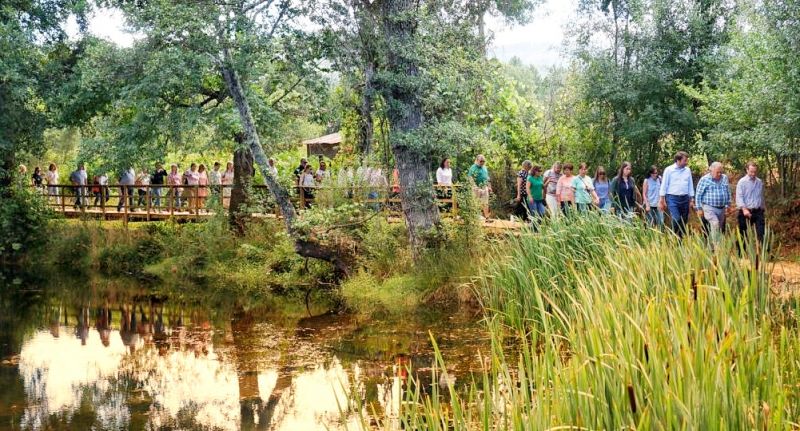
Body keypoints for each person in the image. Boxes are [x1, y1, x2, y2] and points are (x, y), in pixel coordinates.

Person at [695, 161, 733, 245]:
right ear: (711, 170)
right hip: (709, 207)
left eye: (721, 172)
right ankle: (716, 246)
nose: (719, 174)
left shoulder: (724, 178)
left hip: (722, 208)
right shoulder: (704, 179)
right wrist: (699, 208)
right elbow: (698, 195)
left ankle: (714, 246)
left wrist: (728, 205)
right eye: (717, 172)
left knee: (720, 228)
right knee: (715, 224)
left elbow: (728, 191)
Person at [659, 151, 694, 239]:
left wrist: (692, 198)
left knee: (684, 220)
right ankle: (671, 236)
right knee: (677, 218)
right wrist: (661, 200)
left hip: (685, 198)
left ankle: (680, 240)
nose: (686, 162)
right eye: (685, 160)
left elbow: (690, 184)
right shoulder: (669, 170)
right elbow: (664, 185)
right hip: (672, 198)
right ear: (678, 160)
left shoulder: (687, 170)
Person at [735, 161, 766, 245]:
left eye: (755, 172)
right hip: (745, 211)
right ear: (747, 170)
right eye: (751, 172)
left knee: (762, 232)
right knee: (743, 233)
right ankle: (741, 251)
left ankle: (764, 251)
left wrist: (763, 207)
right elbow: (739, 197)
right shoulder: (742, 182)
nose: (753, 174)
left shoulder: (759, 182)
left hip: (758, 211)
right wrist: (744, 209)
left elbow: (761, 196)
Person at [467, 155, 491, 219]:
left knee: (485, 202)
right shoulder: (473, 167)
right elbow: (470, 178)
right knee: (475, 202)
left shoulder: (484, 167)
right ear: (477, 160)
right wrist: (475, 187)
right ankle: (474, 217)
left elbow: (487, 178)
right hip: (476, 187)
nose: (482, 162)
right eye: (481, 161)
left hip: (484, 187)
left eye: (483, 161)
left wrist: (489, 186)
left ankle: (487, 217)